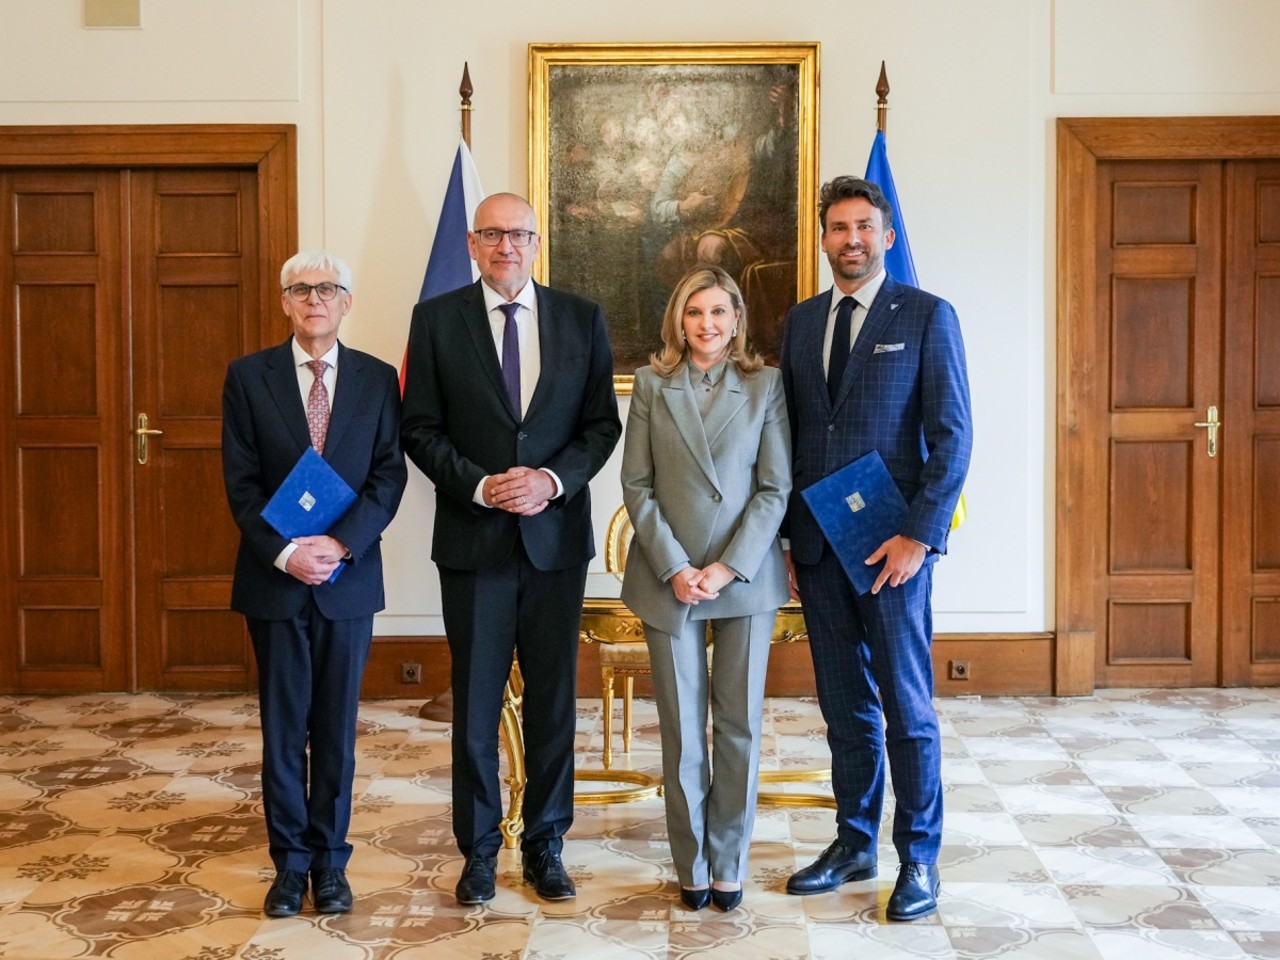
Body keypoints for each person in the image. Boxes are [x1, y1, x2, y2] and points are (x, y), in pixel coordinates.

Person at [400, 192, 621, 906]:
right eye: (493, 234)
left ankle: (546, 844)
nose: (506, 246)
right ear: (472, 243)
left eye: (519, 234)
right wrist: (480, 484)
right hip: (475, 541)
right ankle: (479, 851)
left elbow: (601, 426)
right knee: (475, 704)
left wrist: (550, 481)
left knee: (553, 701)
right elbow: (419, 427)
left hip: (555, 542)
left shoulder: (581, 318)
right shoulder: (437, 320)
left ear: (536, 243)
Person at [779, 177, 972, 920]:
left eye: (864, 226)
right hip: (819, 548)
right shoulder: (801, 322)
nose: (851, 239)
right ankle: (853, 842)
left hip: (894, 547)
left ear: (886, 236)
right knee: (844, 708)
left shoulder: (926, 315)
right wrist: (790, 539)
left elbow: (953, 436)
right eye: (838, 227)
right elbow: (793, 436)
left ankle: (919, 858)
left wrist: (919, 536)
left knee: (907, 708)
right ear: (824, 239)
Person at [221, 250, 408, 918]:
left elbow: (388, 475)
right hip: (275, 582)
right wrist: (285, 555)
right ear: (284, 302)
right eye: (301, 290)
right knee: (283, 729)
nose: (314, 300)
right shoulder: (249, 377)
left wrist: (341, 544)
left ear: (346, 302)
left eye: (328, 289)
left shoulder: (377, 380)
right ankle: (289, 865)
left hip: (347, 581)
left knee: (335, 729)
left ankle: (330, 864)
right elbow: (241, 483)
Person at [620, 266, 791, 913]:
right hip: (670, 579)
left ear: (737, 318)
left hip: (743, 577)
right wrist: (675, 566)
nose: (707, 324)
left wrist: (727, 567)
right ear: (679, 320)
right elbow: (637, 485)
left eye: (719, 311)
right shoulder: (651, 384)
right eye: (695, 312)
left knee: (738, 725)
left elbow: (774, 487)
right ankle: (691, 864)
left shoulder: (765, 384)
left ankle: (729, 862)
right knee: (683, 729)